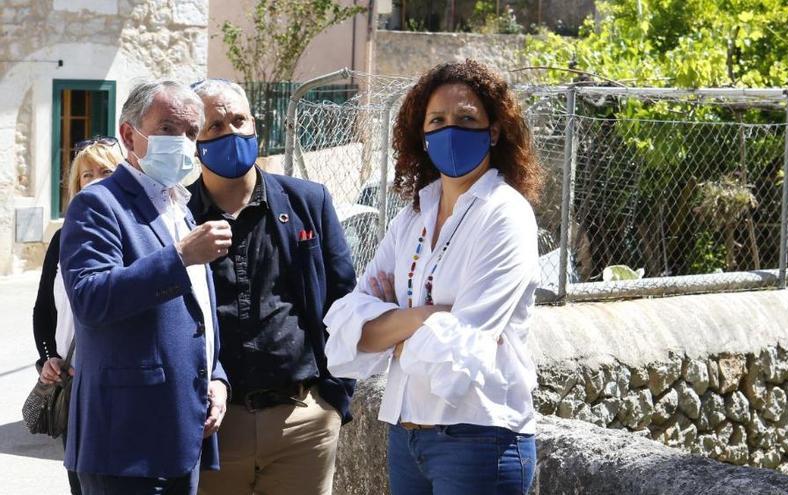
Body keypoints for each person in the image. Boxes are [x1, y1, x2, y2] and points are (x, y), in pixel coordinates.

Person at [323, 59, 543, 494]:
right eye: (437, 120)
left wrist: (391, 324)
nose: (451, 130)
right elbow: (348, 328)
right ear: (422, 136)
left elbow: (462, 353)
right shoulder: (412, 218)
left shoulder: (506, 214)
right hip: (406, 435)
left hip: (480, 438)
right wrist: (430, 316)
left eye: (466, 119)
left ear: (493, 131)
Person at [59, 80, 232, 495]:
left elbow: (198, 312)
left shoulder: (180, 207)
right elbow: (90, 297)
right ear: (128, 135)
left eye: (192, 133)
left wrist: (218, 377)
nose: (184, 143)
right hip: (125, 443)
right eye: (169, 129)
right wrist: (179, 257)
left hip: (181, 432)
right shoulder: (98, 204)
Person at [187, 79, 356, 495]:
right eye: (214, 126)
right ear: (195, 139)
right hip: (211, 428)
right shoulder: (179, 216)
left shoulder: (307, 202)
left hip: (302, 422)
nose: (230, 133)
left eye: (239, 120)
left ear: (255, 125)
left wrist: (333, 399)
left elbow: (343, 297)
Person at [32, 137, 122, 495]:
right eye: (87, 175)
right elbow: (44, 308)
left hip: (120, 381)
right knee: (82, 482)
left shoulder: (135, 233)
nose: (96, 180)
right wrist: (47, 356)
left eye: (106, 172)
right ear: (77, 185)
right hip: (75, 383)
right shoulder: (62, 237)